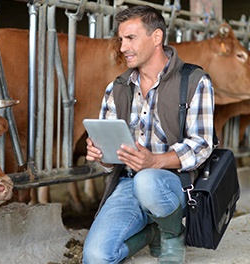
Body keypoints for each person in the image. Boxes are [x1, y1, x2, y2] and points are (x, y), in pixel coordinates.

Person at [82, 5, 214, 264]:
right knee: (96, 257)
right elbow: (110, 162)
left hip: (172, 184)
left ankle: (172, 230)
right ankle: (151, 232)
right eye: (121, 40)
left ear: (156, 38)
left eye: (130, 38)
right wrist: (102, 154)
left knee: (148, 181)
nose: (122, 47)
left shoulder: (194, 80)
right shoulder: (116, 88)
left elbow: (202, 144)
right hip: (128, 183)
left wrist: (154, 162)